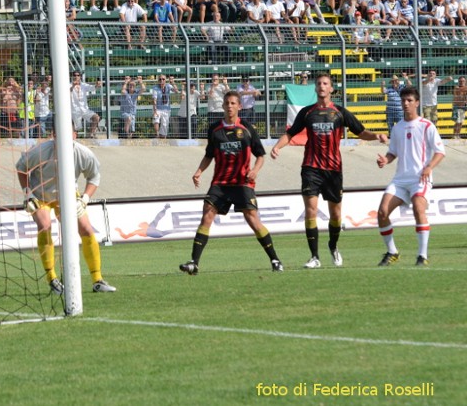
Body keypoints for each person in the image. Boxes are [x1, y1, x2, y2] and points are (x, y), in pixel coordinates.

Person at [271, 74, 387, 269]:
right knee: (311, 210)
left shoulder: (340, 112)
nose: (321, 87)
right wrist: (277, 147)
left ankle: (333, 246)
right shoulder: (307, 112)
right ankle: (314, 256)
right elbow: (290, 133)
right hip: (311, 167)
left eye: (325, 84)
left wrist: (376, 135)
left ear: (331, 89)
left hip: (333, 170)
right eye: (319, 84)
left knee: (335, 214)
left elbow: (360, 132)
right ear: (315, 89)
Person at [179, 91, 284, 275]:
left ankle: (275, 260)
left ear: (239, 106)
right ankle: (194, 263)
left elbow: (260, 155)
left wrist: (254, 171)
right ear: (223, 106)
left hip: (242, 182)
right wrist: (198, 171)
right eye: (227, 103)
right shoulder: (214, 129)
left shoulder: (247, 129)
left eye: (233, 103)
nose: (229, 106)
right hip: (220, 182)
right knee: (207, 215)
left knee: (253, 220)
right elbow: (209, 155)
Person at [16, 122, 116, 294]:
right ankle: (52, 279)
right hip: (41, 196)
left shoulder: (84, 154)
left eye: (68, 133)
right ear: (53, 135)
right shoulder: (41, 151)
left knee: (86, 229)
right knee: (45, 225)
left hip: (68, 196)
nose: (63, 137)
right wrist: (28, 195)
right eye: (59, 133)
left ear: (75, 135)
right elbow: (21, 168)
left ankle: (97, 280)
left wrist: (84, 199)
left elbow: (94, 178)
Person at [375, 86, 446, 267]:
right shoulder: (398, 127)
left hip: (419, 179)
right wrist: (385, 159)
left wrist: (429, 167)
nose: (406, 104)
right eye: (403, 101)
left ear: (417, 103)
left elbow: (440, 152)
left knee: (418, 208)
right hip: (400, 179)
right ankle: (392, 251)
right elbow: (393, 152)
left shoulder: (427, 126)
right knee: (382, 212)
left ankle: (422, 256)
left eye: (409, 101)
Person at [70, 70, 102, 138]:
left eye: (78, 75)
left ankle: (91, 134)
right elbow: (67, 92)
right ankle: (74, 140)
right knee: (77, 128)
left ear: (80, 77)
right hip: (75, 110)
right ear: (72, 77)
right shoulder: (69, 85)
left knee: (96, 117)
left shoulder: (83, 85)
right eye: (74, 75)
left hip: (84, 109)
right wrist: (73, 86)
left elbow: (92, 88)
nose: (76, 77)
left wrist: (97, 85)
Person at [151, 74, 178, 139]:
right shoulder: (155, 87)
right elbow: (154, 100)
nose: (161, 80)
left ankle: (163, 138)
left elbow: (176, 91)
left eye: (163, 79)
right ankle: (157, 134)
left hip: (166, 109)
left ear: (165, 80)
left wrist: (173, 83)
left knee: (164, 125)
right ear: (158, 80)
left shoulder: (168, 86)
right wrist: (155, 111)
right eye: (160, 79)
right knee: (156, 119)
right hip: (158, 108)